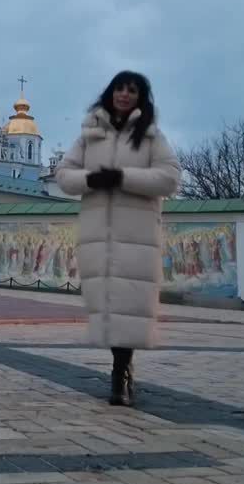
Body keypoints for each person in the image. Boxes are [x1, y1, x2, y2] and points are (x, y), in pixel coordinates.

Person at [55, 71, 182, 407]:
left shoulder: (150, 135)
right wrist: (92, 180)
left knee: (128, 304)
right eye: (120, 89)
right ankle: (120, 369)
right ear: (111, 93)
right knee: (109, 305)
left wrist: (123, 177)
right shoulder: (90, 135)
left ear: (141, 97)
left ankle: (120, 373)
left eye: (132, 90)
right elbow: (63, 176)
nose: (125, 95)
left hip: (136, 235)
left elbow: (170, 178)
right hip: (98, 235)